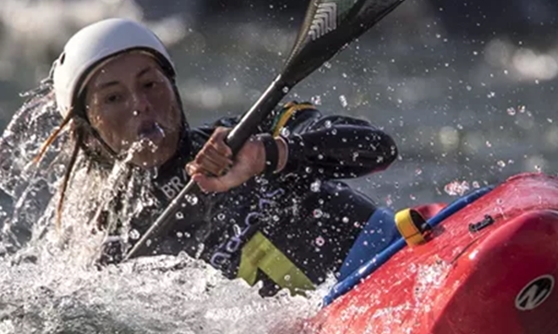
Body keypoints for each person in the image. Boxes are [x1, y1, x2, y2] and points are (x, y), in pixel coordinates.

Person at [33, 18, 400, 297]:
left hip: (394, 261)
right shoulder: (109, 248)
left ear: (173, 90)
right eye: (113, 98)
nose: (141, 105)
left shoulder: (254, 132)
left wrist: (270, 155)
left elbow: (379, 148)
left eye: (149, 84)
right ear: (89, 133)